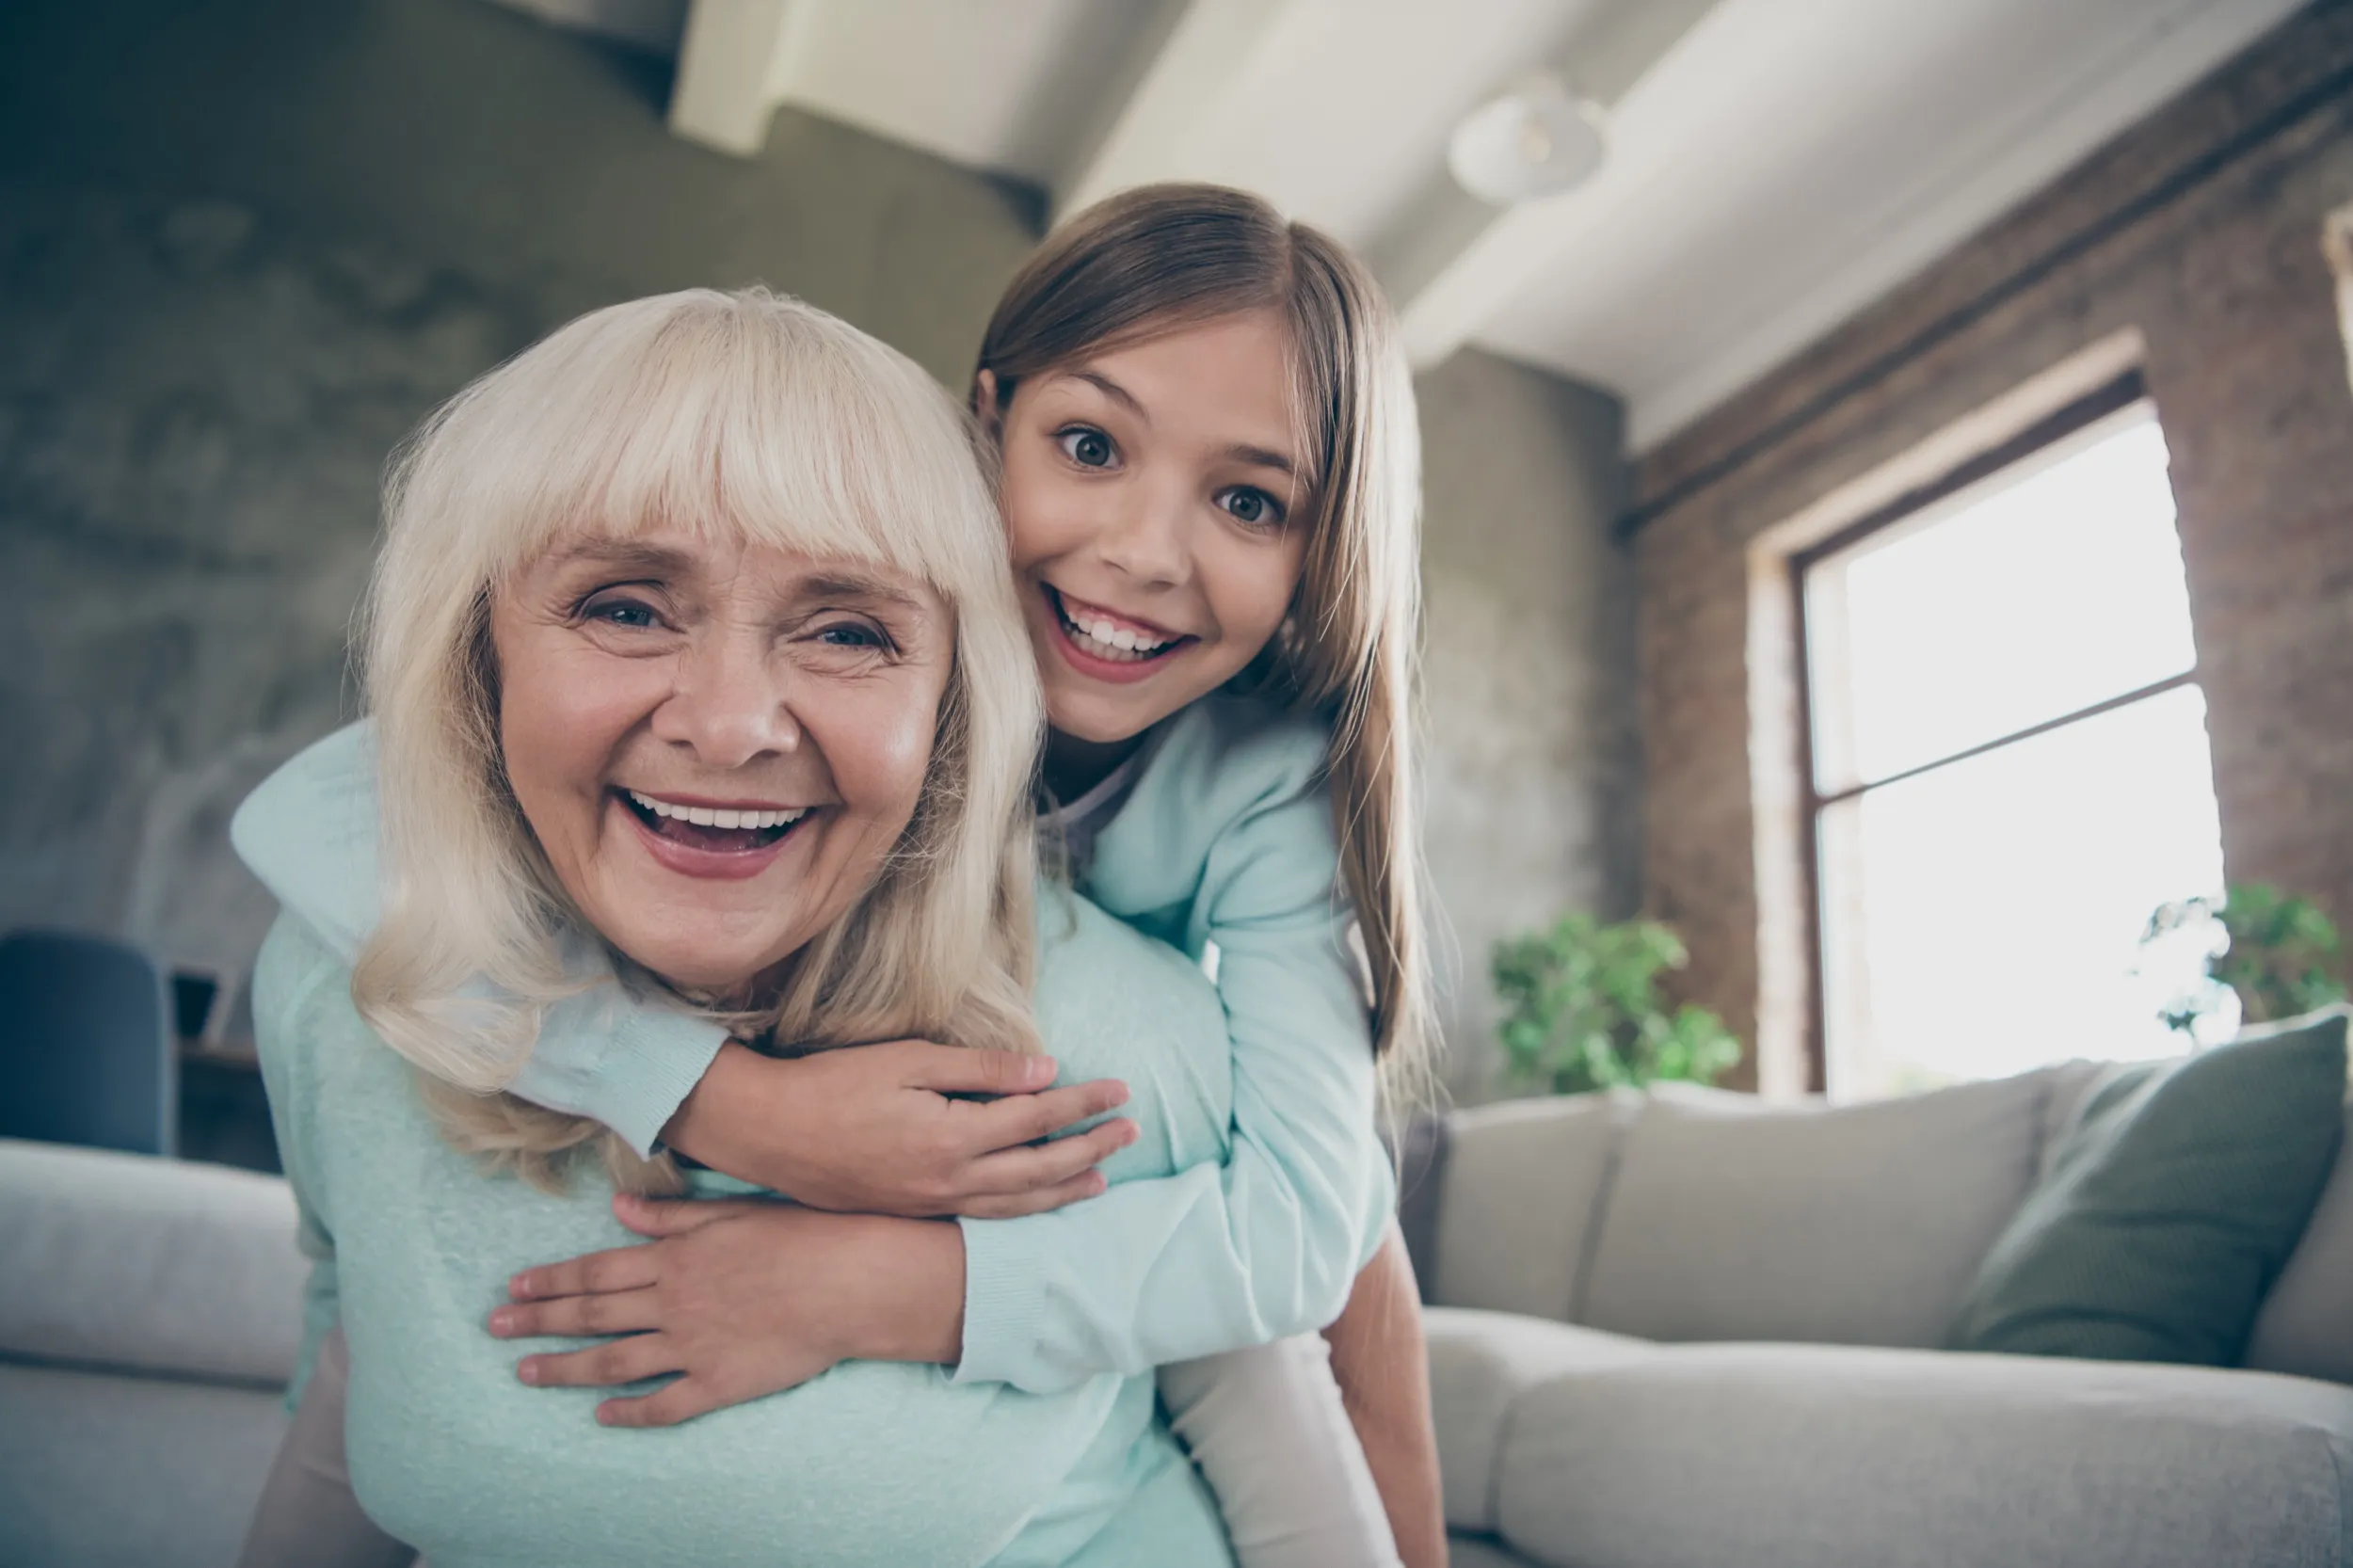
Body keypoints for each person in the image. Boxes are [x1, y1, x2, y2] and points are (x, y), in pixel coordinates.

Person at [247, 182, 1446, 1568]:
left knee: (1339, 1278)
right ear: (983, 426)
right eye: (1089, 444)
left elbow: (1306, 1227)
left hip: (1149, 1085)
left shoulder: (1265, 781)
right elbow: (327, 816)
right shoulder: (863, 552)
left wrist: (889, 1283)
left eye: (1248, 499)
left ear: (1325, 551)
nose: (1140, 550)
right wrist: (730, 1107)